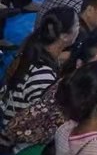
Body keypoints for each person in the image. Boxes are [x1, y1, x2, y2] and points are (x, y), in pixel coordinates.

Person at [0, 8, 79, 142]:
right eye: (77, 25)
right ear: (64, 36)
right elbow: (41, 122)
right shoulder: (43, 75)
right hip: (16, 143)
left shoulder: (33, 51)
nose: (79, 29)